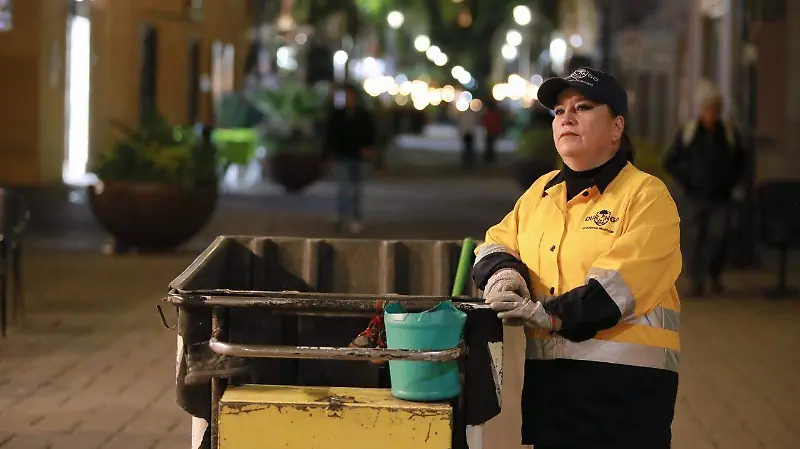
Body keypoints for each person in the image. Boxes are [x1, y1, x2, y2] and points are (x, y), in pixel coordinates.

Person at [472, 68, 681, 449]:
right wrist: (505, 275)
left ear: (617, 127)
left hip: (625, 395)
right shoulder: (541, 193)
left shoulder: (647, 197)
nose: (566, 117)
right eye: (558, 111)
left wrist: (548, 314)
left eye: (583, 107)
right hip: (552, 390)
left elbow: (619, 290)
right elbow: (494, 244)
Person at [663, 79, 746, 296]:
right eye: (708, 108)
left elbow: (741, 161)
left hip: (720, 196)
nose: (711, 113)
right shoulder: (689, 133)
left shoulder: (728, 134)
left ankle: (714, 275)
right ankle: (696, 281)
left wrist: (730, 182)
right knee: (694, 238)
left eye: (715, 109)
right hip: (694, 196)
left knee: (718, 237)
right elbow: (670, 161)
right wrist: (688, 180)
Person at [323, 83, 375, 234]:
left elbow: (370, 133)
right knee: (344, 187)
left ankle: (354, 217)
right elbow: (330, 135)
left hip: (358, 156)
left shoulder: (363, 115)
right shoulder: (337, 115)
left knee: (356, 187)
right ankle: (341, 215)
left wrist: (368, 148)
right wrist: (327, 154)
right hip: (341, 155)